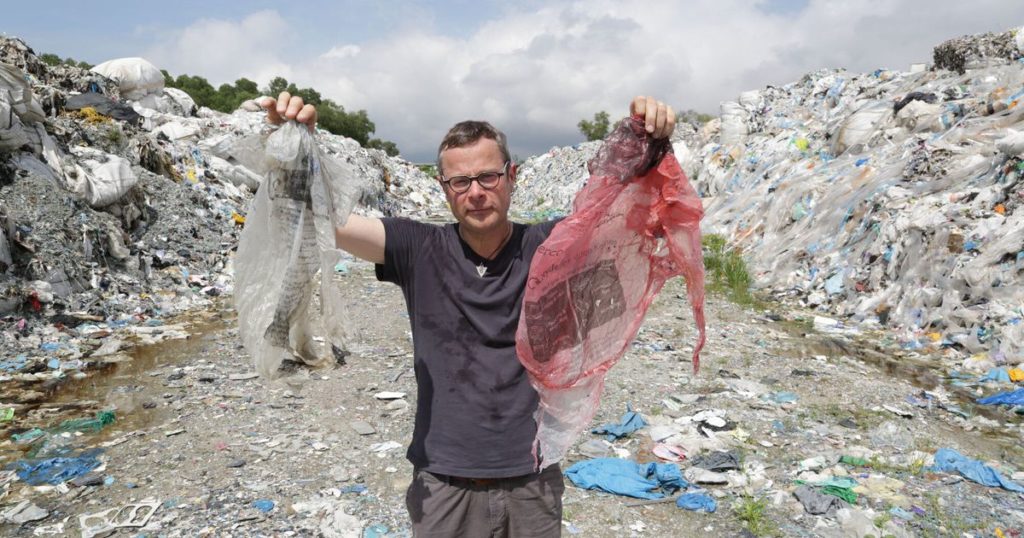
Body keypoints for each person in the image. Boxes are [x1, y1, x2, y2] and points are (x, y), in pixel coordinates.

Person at [262, 94, 676, 537]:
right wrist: (291, 150)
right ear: (444, 188)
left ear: (511, 177)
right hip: (444, 481)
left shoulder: (550, 246)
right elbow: (327, 222)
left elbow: (630, 212)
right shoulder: (417, 248)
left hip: (532, 478)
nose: (475, 192)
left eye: (487, 177)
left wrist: (651, 141)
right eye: (460, 182)